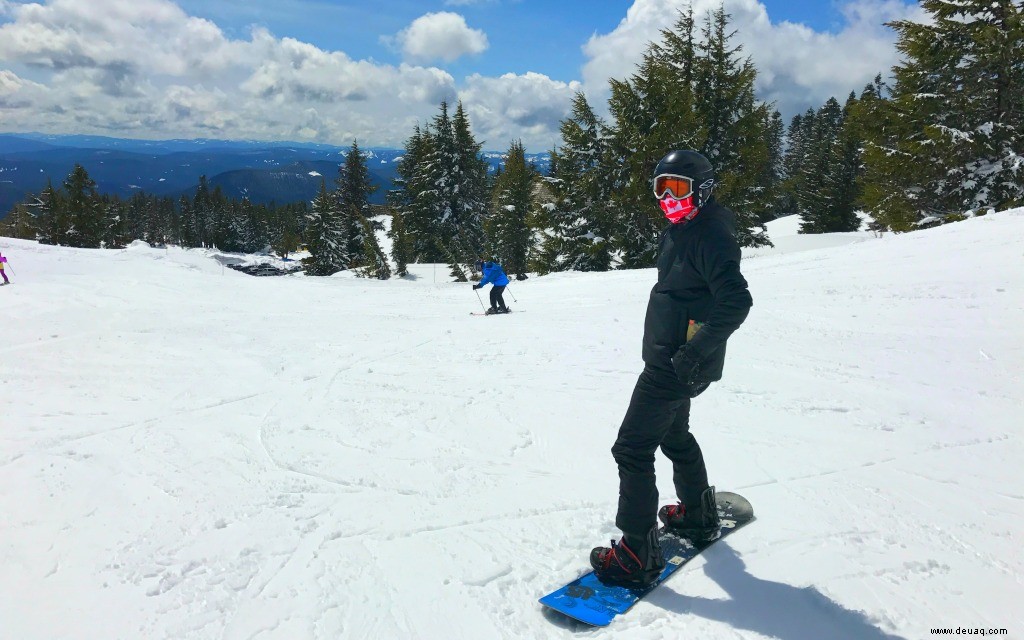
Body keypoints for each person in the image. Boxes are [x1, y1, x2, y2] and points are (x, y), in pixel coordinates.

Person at [589, 150, 753, 586]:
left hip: (674, 363)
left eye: (676, 187)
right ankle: (697, 515)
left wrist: (694, 352)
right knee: (675, 434)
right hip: (677, 357)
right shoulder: (686, 227)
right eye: (660, 188)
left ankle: (635, 554)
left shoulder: (709, 234)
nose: (666, 197)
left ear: (702, 188)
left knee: (631, 449)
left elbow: (736, 300)